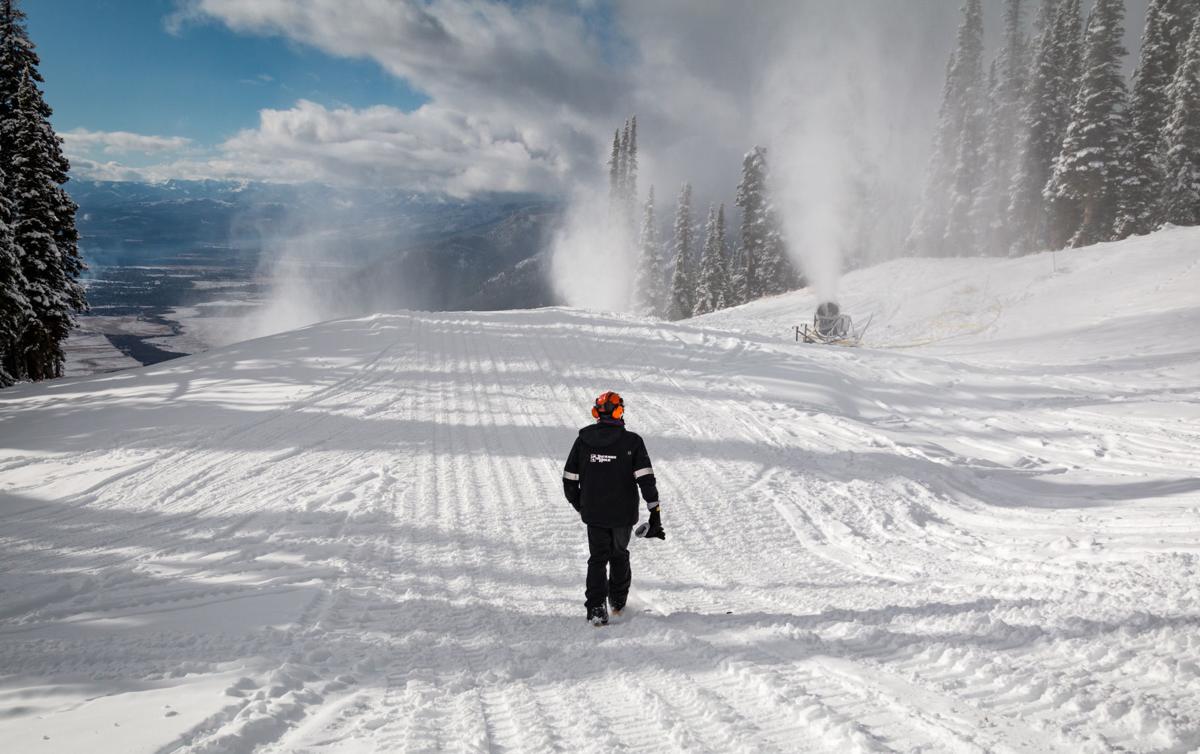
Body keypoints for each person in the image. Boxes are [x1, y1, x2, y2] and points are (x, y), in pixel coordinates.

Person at [562, 391, 664, 626]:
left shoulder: (583, 440)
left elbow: (569, 480)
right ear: (619, 412)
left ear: (597, 413)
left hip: (594, 514)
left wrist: (582, 505)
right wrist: (654, 510)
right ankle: (617, 603)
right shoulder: (632, 442)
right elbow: (646, 480)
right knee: (619, 555)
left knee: (597, 558)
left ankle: (597, 610)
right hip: (622, 515)